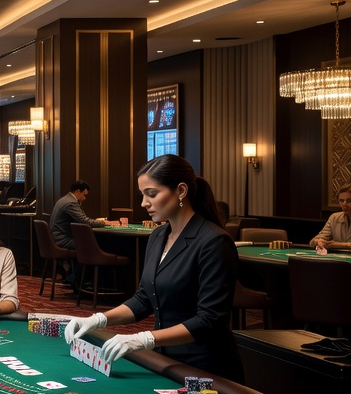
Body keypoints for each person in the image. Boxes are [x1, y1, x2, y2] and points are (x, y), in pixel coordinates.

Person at [64, 154, 243, 380]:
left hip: (206, 366)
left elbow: (209, 321)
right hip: (165, 359)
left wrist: (145, 338)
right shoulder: (158, 235)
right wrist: (99, 319)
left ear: (181, 191)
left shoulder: (214, 241)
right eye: (142, 195)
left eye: (152, 194)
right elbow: (144, 299)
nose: (144, 203)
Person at [49, 180, 114, 283]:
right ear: (78, 191)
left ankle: (77, 278)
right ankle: (81, 280)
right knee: (90, 247)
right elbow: (84, 220)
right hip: (62, 239)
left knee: (87, 245)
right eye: (84, 195)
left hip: (56, 238)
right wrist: (106, 223)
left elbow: (82, 220)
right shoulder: (71, 203)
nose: (85, 198)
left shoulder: (64, 199)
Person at [313, 183, 351, 251]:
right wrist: (318, 241)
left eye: (349, 201)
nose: (344, 204)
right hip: (338, 257)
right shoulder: (334, 217)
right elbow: (316, 239)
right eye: (341, 201)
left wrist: (338, 245)